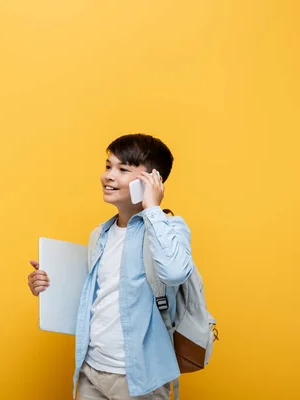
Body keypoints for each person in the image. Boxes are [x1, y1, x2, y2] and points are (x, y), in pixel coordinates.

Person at [27, 133, 195, 400]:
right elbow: (92, 299)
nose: (109, 176)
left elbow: (175, 272)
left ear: (151, 180)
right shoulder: (100, 235)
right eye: (108, 166)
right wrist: (48, 287)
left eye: (123, 169)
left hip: (140, 379)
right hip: (91, 371)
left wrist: (152, 208)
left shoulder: (170, 229)